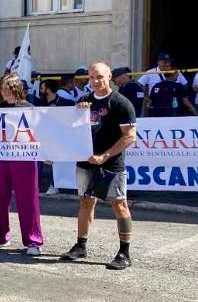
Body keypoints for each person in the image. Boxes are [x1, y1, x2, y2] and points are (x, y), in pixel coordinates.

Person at [61, 62, 137, 270]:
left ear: (110, 76)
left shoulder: (121, 103)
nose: (95, 81)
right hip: (86, 162)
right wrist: (77, 112)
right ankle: (80, 246)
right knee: (86, 202)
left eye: (100, 77)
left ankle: (124, 253)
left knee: (119, 204)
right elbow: (70, 128)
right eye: (91, 77)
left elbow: (130, 137)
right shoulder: (83, 101)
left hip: (111, 163)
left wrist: (105, 155)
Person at [0, 73, 44, 255]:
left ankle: (33, 241)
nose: (5, 92)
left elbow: (42, 132)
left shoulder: (29, 108)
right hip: (0, 157)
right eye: (2, 88)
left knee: (28, 198)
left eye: (8, 88)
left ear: (16, 88)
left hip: (24, 158)